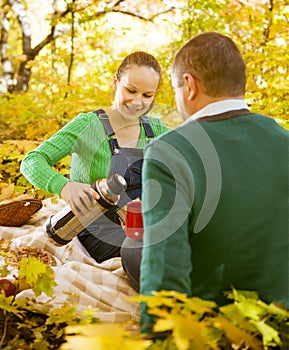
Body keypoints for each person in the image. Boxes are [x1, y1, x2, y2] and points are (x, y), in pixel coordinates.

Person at [139, 32, 289, 332]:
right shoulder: (283, 139)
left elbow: (165, 269)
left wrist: (158, 337)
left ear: (190, 86)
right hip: (281, 321)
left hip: (219, 325)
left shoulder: (170, 149)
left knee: (133, 250)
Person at [20, 51, 169, 285]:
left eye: (147, 95)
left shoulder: (157, 130)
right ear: (115, 82)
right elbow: (32, 160)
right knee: (145, 253)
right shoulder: (88, 125)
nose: (138, 101)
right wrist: (65, 186)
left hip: (141, 221)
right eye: (131, 90)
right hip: (96, 224)